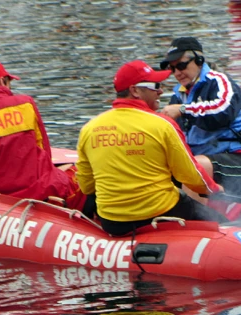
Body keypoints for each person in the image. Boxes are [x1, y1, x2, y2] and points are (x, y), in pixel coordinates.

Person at [75, 60, 225, 237]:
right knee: (222, 224)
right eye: (155, 86)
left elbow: (86, 185)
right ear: (135, 90)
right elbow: (191, 175)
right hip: (159, 212)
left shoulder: (89, 129)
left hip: (113, 222)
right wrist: (216, 191)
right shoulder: (162, 125)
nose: (160, 91)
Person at [0, 60, 89, 213]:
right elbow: (44, 152)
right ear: (2, 81)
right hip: (44, 192)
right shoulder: (24, 104)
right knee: (87, 176)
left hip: (2, 204)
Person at [159, 37, 241, 196]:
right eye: (173, 69)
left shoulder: (220, 81)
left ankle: (198, 218)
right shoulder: (179, 95)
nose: (177, 73)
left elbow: (223, 112)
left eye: (181, 65)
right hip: (206, 160)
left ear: (199, 61)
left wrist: (183, 109)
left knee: (195, 166)